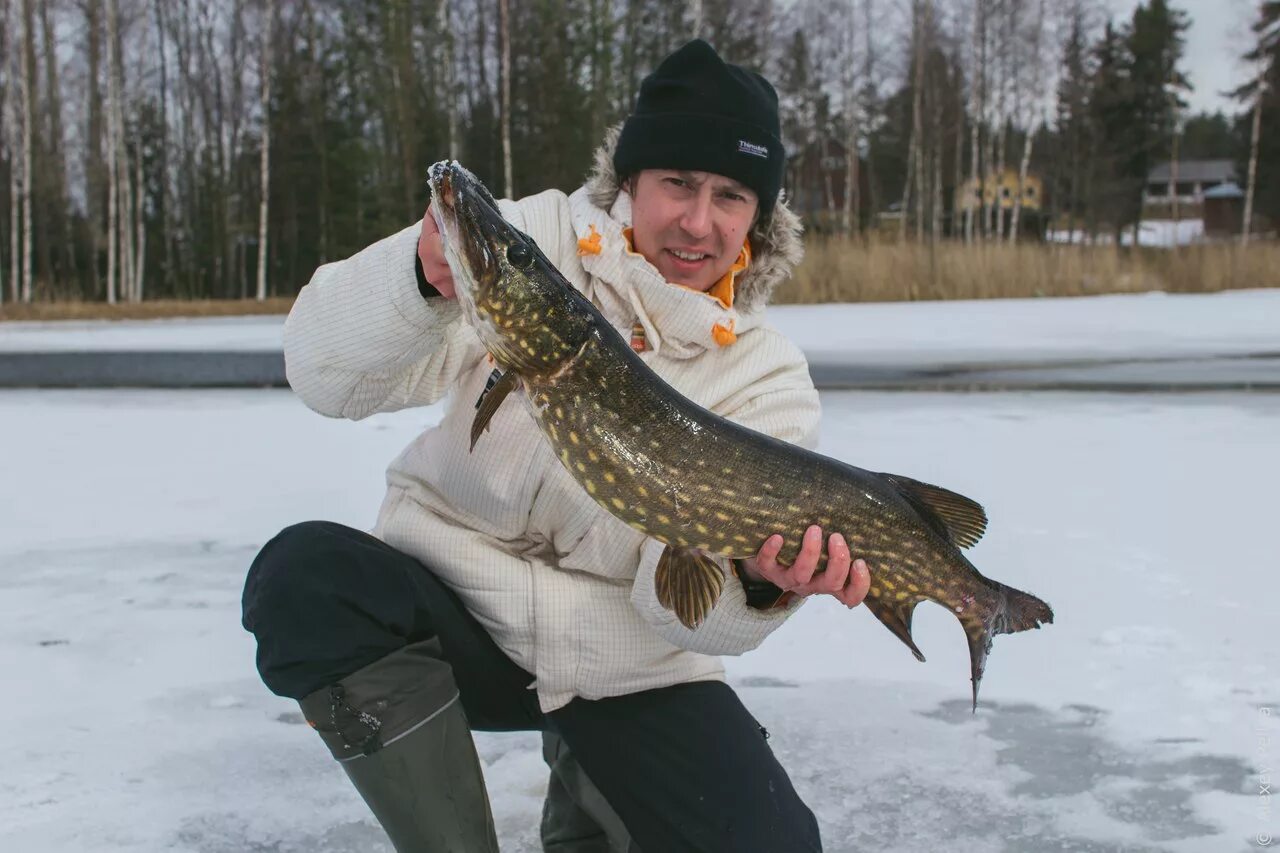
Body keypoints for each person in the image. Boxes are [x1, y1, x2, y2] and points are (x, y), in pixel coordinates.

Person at [241, 39, 871, 853]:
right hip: (454, 614)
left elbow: (680, 607)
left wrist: (754, 580)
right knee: (307, 580)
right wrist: (419, 277)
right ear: (630, 181)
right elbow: (322, 371)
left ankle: (592, 783)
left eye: (730, 195)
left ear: (759, 217)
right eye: (677, 181)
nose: (697, 220)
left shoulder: (767, 375)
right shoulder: (528, 241)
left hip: (625, 664)